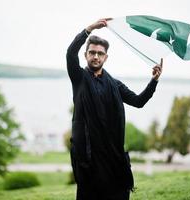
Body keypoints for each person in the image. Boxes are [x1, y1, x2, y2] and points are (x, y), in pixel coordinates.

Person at [66, 18, 163, 200]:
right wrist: (89, 29)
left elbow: (138, 101)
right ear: (85, 55)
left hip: (112, 155)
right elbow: (70, 53)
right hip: (88, 157)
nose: (96, 56)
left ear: (106, 57)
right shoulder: (79, 78)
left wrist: (154, 81)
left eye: (100, 54)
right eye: (92, 52)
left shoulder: (114, 84)